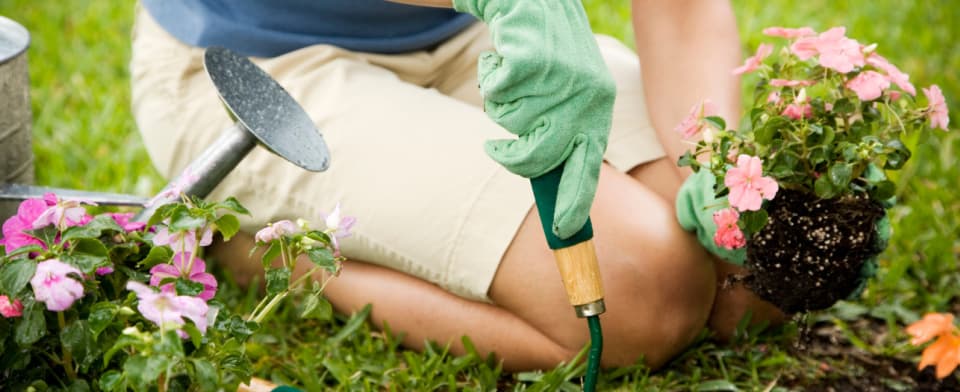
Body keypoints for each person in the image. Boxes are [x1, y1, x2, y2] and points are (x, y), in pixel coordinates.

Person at [130, 0, 785, 371]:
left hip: (473, 34)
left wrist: (710, 162)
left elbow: (684, 11)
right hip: (259, 67)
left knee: (753, 282)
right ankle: (272, 253)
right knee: (640, 303)